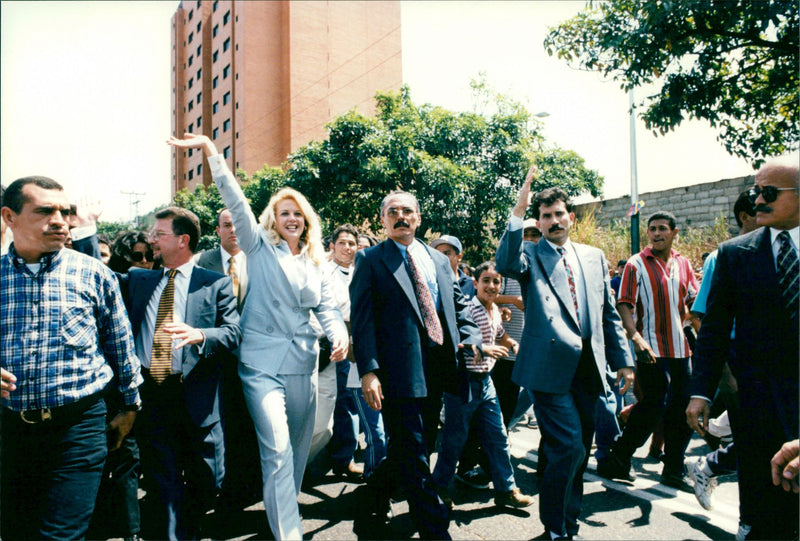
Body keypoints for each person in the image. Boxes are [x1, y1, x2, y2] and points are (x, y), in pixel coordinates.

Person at [169, 133, 348, 540]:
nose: (291, 219)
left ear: (305, 220)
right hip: (260, 365)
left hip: (304, 363)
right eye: (284, 212)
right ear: (272, 218)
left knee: (298, 451)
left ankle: (280, 510)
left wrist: (338, 336)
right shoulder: (258, 247)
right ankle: (288, 532)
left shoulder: (316, 261)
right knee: (278, 449)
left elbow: (327, 310)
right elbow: (235, 200)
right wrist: (211, 153)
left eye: (297, 214)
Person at [495, 164, 633, 540]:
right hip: (548, 369)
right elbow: (505, 262)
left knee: (576, 450)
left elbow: (607, 313)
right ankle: (556, 525)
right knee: (569, 445)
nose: (554, 221)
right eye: (545, 217)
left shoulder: (593, 256)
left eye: (559, 214)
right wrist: (518, 210)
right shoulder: (529, 255)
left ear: (570, 217)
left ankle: (566, 522)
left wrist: (624, 362)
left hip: (589, 369)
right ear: (537, 223)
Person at [0, 176, 142, 541]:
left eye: (65, 211)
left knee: (61, 535)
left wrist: (129, 407)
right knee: (17, 531)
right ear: (9, 217)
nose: (60, 220)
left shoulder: (93, 273)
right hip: (9, 430)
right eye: (45, 211)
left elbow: (120, 345)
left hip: (78, 429)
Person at [350, 189, 483, 539]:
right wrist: (369, 370)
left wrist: (471, 337)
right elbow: (362, 322)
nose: (400, 217)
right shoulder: (370, 259)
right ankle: (435, 528)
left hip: (439, 368)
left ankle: (371, 499)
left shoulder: (437, 259)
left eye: (407, 211)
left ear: (418, 218)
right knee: (413, 452)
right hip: (397, 373)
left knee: (415, 448)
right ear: (383, 219)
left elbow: (458, 304)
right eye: (392, 212)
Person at [687, 162, 799, 540]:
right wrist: (701, 391)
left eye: (769, 193)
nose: (757, 201)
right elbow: (714, 329)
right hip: (758, 405)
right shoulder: (735, 255)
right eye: (755, 192)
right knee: (767, 510)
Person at [119, 206, 241, 540]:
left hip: (198, 397)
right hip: (154, 393)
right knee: (163, 481)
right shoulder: (139, 281)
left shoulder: (214, 284)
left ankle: (190, 524)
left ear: (183, 240)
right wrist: (87, 229)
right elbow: (99, 274)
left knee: (208, 479)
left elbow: (234, 332)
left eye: (159, 234)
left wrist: (201, 334)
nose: (152, 240)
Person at [600, 210, 699, 489]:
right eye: (652, 229)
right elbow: (624, 304)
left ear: (674, 233)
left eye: (663, 229)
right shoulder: (636, 264)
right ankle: (618, 456)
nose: (657, 233)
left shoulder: (683, 263)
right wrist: (635, 337)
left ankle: (673, 468)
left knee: (682, 410)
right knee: (654, 405)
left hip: (681, 349)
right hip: (650, 348)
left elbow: (695, 301)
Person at [432, 261, 534, 510]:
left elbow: (499, 333)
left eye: (496, 281)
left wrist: (512, 343)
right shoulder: (468, 309)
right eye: (486, 280)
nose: (491, 286)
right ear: (475, 283)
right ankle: (439, 488)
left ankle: (506, 490)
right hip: (464, 382)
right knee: (454, 440)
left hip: (485, 383)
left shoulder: (495, 310)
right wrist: (482, 347)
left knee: (498, 437)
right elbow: (453, 340)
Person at [685, 190, 757, 534]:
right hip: (735, 362)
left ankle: (709, 465)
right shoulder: (723, 257)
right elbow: (702, 317)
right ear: (745, 216)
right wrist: (720, 374)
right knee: (752, 439)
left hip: (774, 366)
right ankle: (749, 521)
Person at [195, 208, 262, 514]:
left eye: (238, 224)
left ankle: (244, 488)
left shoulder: (261, 259)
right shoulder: (200, 262)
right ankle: (212, 489)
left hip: (252, 356)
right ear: (218, 230)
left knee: (247, 424)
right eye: (227, 225)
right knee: (216, 424)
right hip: (212, 357)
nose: (233, 230)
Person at [325, 224, 387, 480]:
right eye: (343, 243)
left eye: (353, 244)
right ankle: (342, 458)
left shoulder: (363, 269)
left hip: (364, 347)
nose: (349, 248)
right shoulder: (325, 273)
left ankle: (350, 458)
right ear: (332, 246)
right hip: (336, 347)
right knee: (343, 407)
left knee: (359, 409)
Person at [431, 234, 476, 300]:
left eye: (446, 253)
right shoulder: (432, 283)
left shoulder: (471, 285)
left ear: (459, 257)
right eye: (438, 254)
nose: (441, 258)